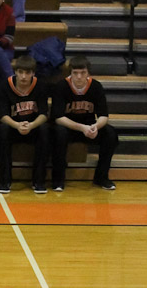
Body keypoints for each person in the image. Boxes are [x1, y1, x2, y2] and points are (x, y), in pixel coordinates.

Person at [50, 56, 119, 191]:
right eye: (75, 73)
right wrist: (82, 128)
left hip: (89, 126)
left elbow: (104, 116)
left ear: (88, 73)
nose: (79, 76)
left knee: (110, 134)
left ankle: (101, 177)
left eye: (83, 73)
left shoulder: (96, 86)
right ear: (70, 73)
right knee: (59, 133)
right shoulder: (61, 86)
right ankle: (58, 179)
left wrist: (95, 127)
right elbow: (58, 117)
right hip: (69, 127)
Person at [0, 54, 49, 194]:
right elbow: (2, 115)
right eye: (20, 72)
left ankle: (39, 181)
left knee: (45, 129)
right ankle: (5, 180)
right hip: (13, 127)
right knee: (3, 130)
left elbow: (44, 114)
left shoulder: (40, 86)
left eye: (27, 73)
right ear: (15, 72)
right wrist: (17, 125)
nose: (24, 76)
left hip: (33, 127)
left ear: (33, 73)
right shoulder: (5, 86)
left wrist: (31, 125)